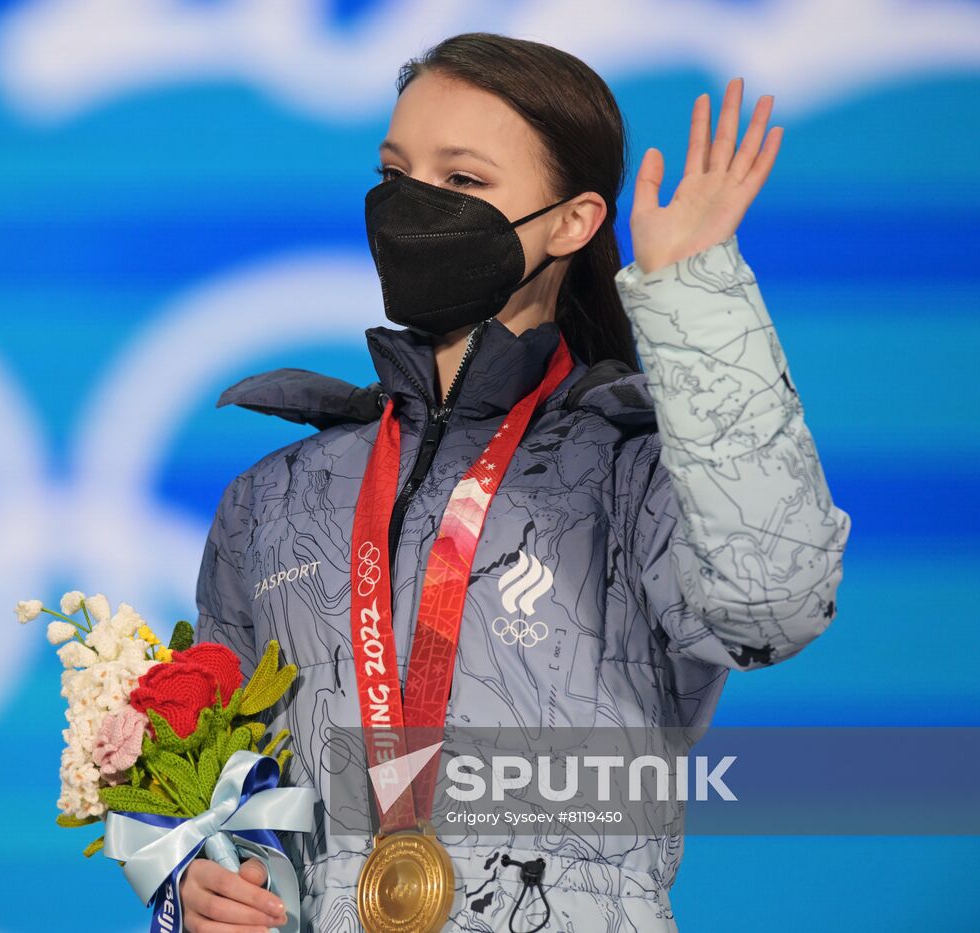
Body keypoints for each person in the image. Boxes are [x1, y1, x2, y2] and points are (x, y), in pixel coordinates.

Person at [180, 32, 850, 933]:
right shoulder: (276, 496)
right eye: (395, 172)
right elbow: (225, 779)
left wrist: (693, 292)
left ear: (573, 222)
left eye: (461, 181)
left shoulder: (636, 472)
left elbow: (776, 605)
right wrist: (203, 875)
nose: (412, 205)